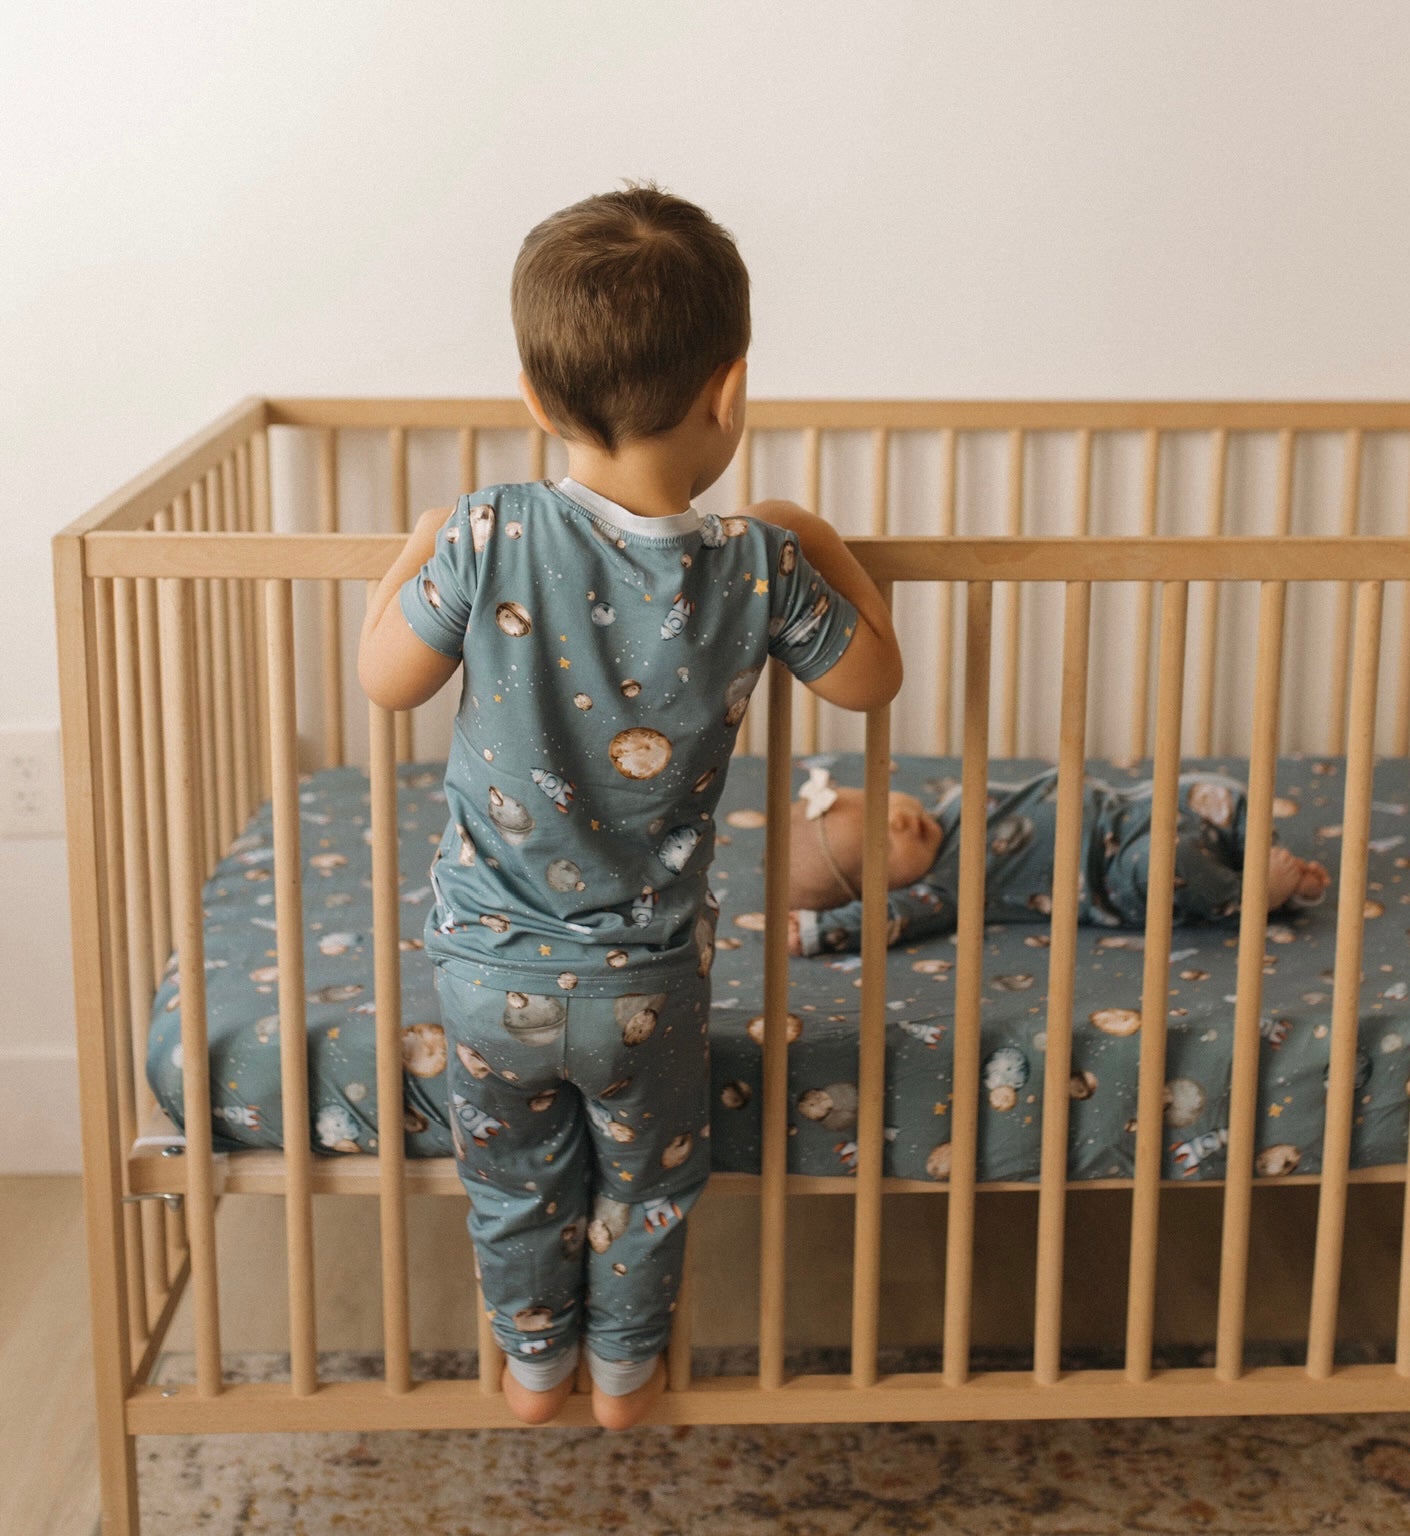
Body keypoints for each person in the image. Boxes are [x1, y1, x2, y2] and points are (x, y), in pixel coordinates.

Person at [357, 185, 901, 1428]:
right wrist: (814, 533)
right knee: (649, 1187)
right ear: (733, 390)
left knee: (511, 1182)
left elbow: (384, 678)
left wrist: (417, 544)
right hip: (645, 983)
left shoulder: (487, 532)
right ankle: (626, 1371)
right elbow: (875, 672)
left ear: (538, 402)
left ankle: (534, 1364)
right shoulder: (756, 565)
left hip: (485, 974)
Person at [785, 765, 1329, 957]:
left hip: (1132, 809)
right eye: (881, 846)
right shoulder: (943, 887)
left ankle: (1256, 847)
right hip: (1117, 873)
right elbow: (885, 922)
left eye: (882, 806)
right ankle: (1254, 893)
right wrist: (816, 931)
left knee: (1214, 789)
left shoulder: (950, 803)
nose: (898, 822)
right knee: (1167, 862)